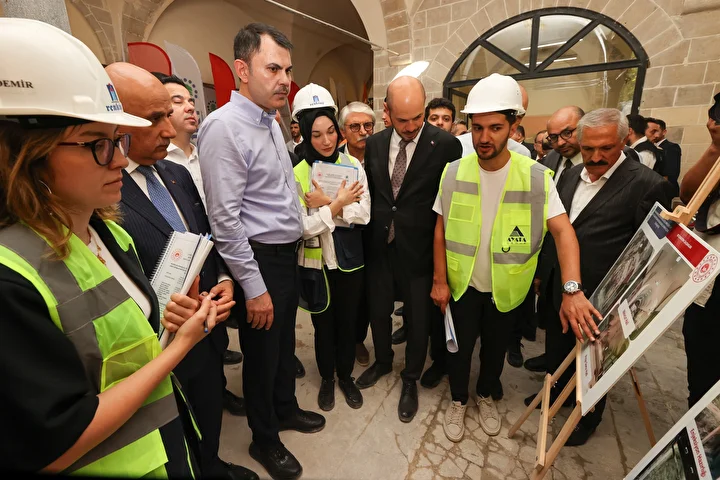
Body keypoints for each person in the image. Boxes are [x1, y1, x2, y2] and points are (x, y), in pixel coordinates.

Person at [0, 18, 216, 477]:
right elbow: (51, 448)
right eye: (98, 144)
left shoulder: (108, 233)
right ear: (26, 153)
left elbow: (118, 346)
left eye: (118, 140)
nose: (119, 158)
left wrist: (166, 321)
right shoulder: (10, 276)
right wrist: (177, 350)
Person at [106, 63, 257, 480]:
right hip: (156, 344)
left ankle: (212, 464)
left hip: (206, 326)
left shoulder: (175, 174)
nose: (169, 130)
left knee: (208, 407)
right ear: (118, 120)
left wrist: (223, 281)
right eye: (155, 118)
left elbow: (205, 235)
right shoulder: (104, 191)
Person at [430, 74, 596, 442]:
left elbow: (563, 232)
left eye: (495, 128)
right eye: (477, 127)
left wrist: (572, 289)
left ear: (513, 125)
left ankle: (485, 395)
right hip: (461, 285)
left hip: (507, 288)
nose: (484, 137)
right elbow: (440, 229)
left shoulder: (537, 177)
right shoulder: (453, 172)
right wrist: (440, 280)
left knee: (494, 350)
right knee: (458, 349)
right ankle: (458, 399)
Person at [198, 23, 325, 480]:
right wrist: (253, 288)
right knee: (262, 353)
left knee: (283, 344)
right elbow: (225, 220)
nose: (285, 79)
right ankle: (264, 437)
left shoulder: (270, 120)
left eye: (288, 70)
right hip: (258, 260)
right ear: (242, 69)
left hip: (285, 254)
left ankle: (284, 408)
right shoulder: (224, 128)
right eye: (273, 68)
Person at [525, 108, 675, 446]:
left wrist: (630, 302)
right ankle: (556, 394)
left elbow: (651, 249)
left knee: (593, 361)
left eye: (605, 148)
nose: (595, 157)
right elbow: (559, 228)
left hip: (604, 293)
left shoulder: (647, 184)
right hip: (561, 282)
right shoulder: (570, 175)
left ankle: (587, 416)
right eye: (588, 148)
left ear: (624, 141)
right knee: (558, 343)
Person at [357, 75, 463, 423]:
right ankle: (383, 361)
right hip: (380, 245)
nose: (411, 126)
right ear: (386, 111)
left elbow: (448, 206)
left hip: (420, 249)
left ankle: (410, 377)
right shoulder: (375, 144)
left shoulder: (446, 146)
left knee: (418, 319)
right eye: (402, 120)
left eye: (418, 117)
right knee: (378, 311)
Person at [156, 72, 247, 416]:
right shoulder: (162, 163)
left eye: (191, 101)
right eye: (177, 101)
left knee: (217, 333)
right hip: (181, 267)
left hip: (218, 251)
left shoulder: (204, 154)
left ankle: (218, 389)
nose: (190, 107)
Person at [291, 84, 370, 411]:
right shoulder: (297, 173)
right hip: (317, 264)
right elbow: (301, 227)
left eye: (330, 132)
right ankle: (327, 378)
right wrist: (338, 204)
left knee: (348, 323)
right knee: (323, 327)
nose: (325, 141)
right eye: (316, 134)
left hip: (350, 263)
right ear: (305, 135)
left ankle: (346, 377)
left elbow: (364, 215)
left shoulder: (353, 166)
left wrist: (325, 205)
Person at [679, 112, 720, 407]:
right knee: (699, 341)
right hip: (709, 270)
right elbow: (688, 193)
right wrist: (715, 147)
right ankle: (697, 418)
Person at [337, 101, 376, 366]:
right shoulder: (334, 159)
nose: (363, 131)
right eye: (355, 126)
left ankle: (358, 339)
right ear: (343, 131)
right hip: (344, 235)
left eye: (367, 125)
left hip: (375, 235)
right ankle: (340, 340)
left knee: (367, 295)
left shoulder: (382, 155)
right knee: (345, 294)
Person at [458, 81, 531, 158]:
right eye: (478, 128)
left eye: (496, 128)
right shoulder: (457, 147)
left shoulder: (522, 153)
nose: (484, 139)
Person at [646, 117, 681, 195]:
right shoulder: (649, 146)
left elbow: (671, 173)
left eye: (656, 131)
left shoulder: (671, 147)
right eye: (652, 131)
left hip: (664, 191)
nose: (655, 135)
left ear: (664, 132)